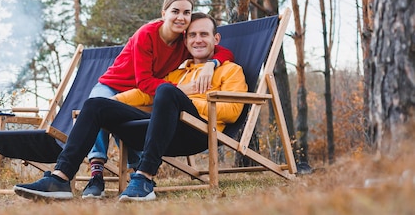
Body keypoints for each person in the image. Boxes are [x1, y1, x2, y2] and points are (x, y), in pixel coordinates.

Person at [14, 12, 247, 202]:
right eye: (193, 35)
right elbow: (144, 94)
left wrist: (185, 100)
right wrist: (112, 104)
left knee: (166, 90)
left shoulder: (230, 70)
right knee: (96, 104)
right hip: (161, 131)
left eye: (204, 34)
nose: (198, 40)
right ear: (185, 41)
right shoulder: (178, 72)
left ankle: (144, 178)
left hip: (196, 133)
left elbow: (233, 110)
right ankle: (60, 178)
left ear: (215, 40)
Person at [82, 0, 234, 199]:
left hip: (145, 91)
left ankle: (140, 173)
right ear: (164, 13)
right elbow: (143, 81)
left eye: (186, 12)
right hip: (115, 85)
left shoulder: (185, 42)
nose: (180, 17)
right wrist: (178, 90)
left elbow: (222, 51)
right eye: (175, 11)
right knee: (97, 104)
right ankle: (96, 172)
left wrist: (211, 64)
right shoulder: (146, 34)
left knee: (120, 117)